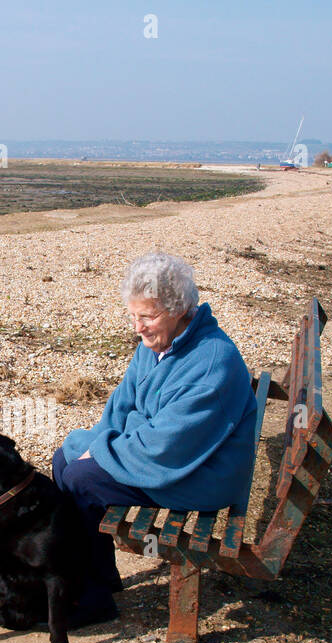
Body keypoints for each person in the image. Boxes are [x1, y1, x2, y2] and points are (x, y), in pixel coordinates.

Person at [53, 252, 257, 621]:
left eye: (146, 317)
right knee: (63, 458)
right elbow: (120, 406)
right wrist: (95, 444)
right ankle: (99, 575)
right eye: (133, 316)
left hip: (202, 472)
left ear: (179, 308)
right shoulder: (157, 344)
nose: (138, 328)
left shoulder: (212, 362)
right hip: (165, 451)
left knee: (81, 480)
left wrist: (99, 454)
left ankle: (92, 600)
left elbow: (168, 445)